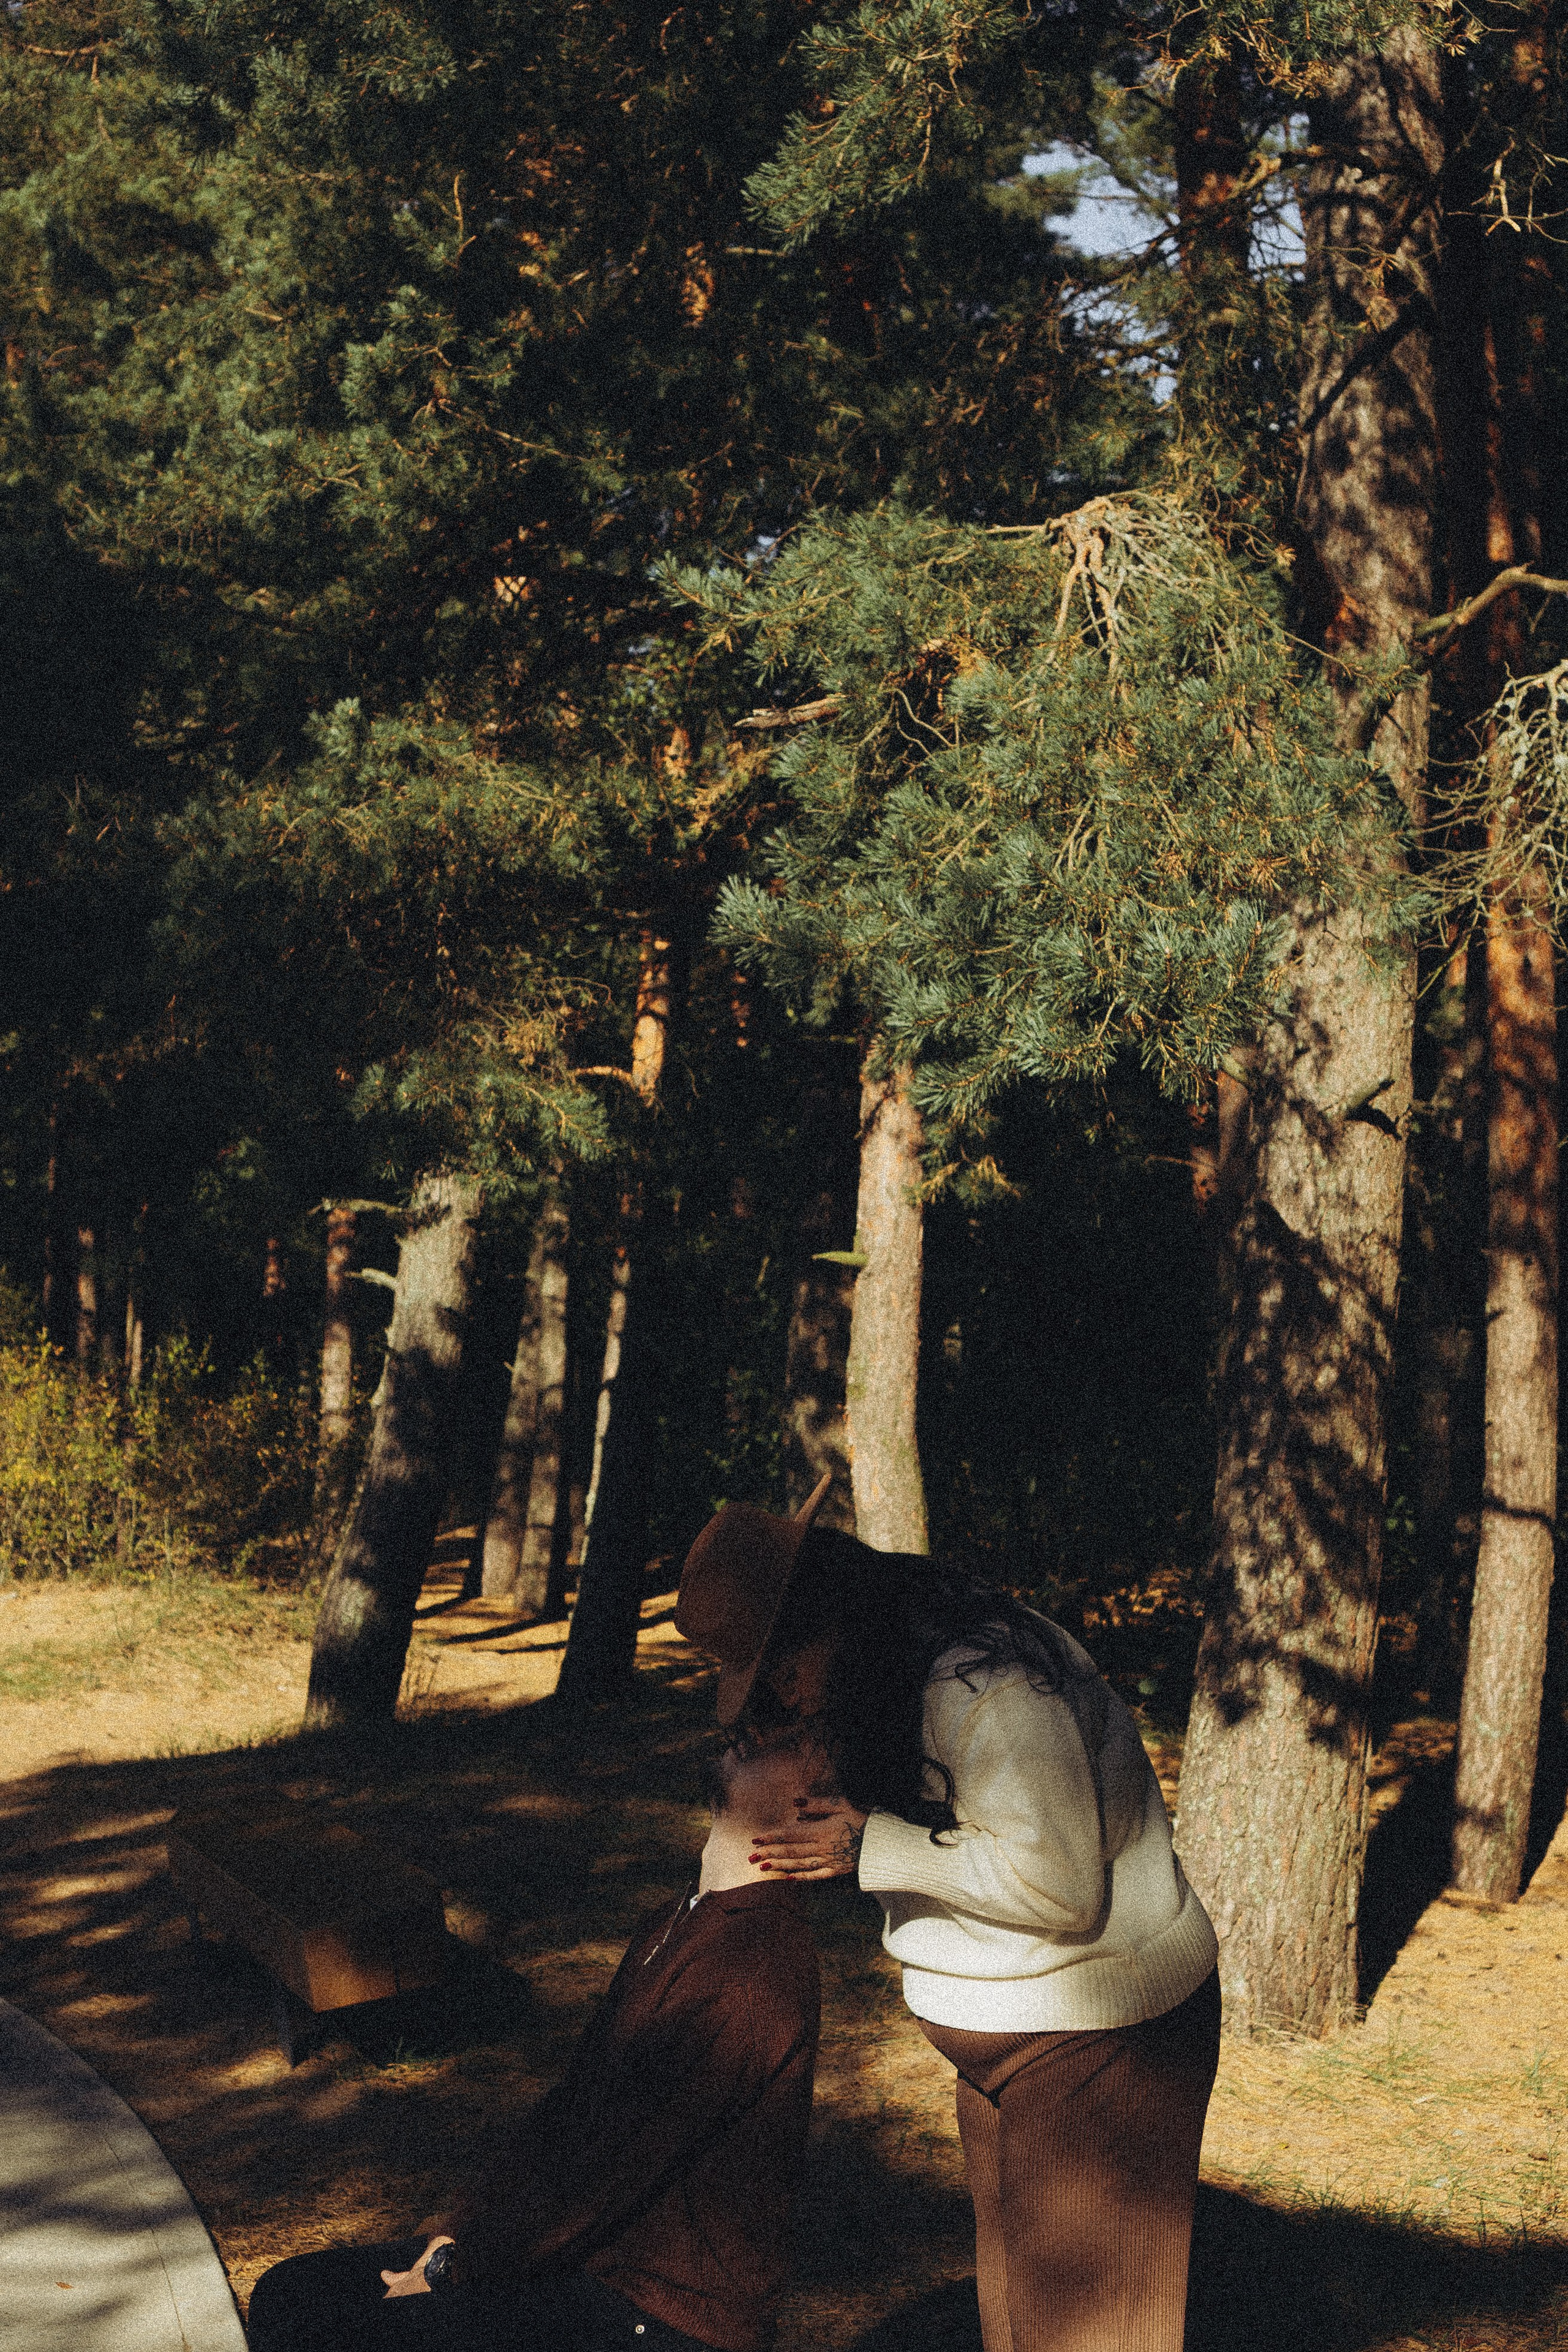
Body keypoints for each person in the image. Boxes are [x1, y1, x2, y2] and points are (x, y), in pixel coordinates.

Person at [676, 1490, 1221, 2352]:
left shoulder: (989, 1686)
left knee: (1092, 2333)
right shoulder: (887, 1680)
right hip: (1007, 2045)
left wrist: (869, 1851)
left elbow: (1057, 1887)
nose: (778, 1696)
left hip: (1102, 2039)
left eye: (781, 1666)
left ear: (837, 1618)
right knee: (1016, 2322)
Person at [245, 1725, 832, 2352]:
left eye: (792, 1743)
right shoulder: (683, 1918)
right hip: (586, 2261)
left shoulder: (752, 1965)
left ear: (812, 1808)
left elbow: (609, 2168)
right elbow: (571, 2112)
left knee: (335, 2324)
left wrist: (454, 2267)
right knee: (297, 2290)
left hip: (660, 2316)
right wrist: (455, 2232)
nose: (756, 1732)